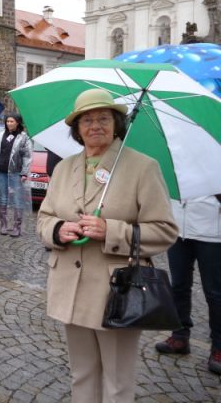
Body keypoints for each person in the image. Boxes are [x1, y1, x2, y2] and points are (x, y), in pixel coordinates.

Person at [37, 88, 178, 403]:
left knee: (117, 382)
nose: (95, 126)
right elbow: (44, 219)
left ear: (117, 124)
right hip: (70, 290)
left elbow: (165, 230)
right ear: (77, 129)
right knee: (81, 374)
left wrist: (111, 230)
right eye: (86, 120)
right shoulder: (64, 168)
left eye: (103, 118)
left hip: (117, 292)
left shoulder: (142, 167)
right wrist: (59, 230)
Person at [155, 195, 221, 375]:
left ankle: (218, 347)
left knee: (215, 293)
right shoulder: (177, 167)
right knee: (178, 285)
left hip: (212, 232)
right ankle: (179, 336)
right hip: (178, 229)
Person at [0, 113, 32, 236]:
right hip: (1, 172)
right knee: (2, 198)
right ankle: (3, 225)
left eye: (12, 121)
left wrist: (24, 172)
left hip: (16, 173)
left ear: (17, 122)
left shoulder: (23, 138)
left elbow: (27, 156)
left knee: (18, 199)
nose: (9, 123)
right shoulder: (0, 136)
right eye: (7, 121)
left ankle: (17, 227)